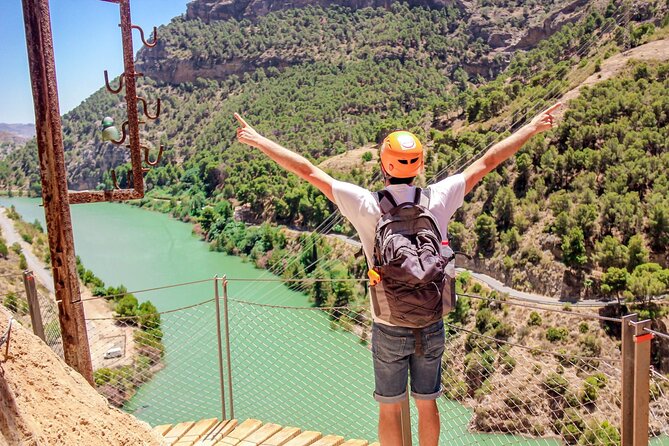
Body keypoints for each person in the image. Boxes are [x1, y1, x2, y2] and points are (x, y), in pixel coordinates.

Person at [234, 102, 560, 446]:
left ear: (383, 165)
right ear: (418, 166)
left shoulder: (365, 203)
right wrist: (533, 127)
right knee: (427, 401)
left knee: (390, 408)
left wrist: (259, 141)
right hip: (431, 322)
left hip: (388, 324)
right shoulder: (437, 198)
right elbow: (488, 162)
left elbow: (309, 171)